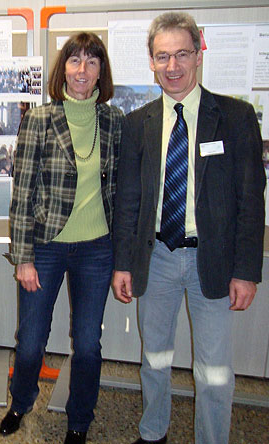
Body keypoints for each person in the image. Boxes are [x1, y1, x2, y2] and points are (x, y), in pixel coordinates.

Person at [111, 12, 265, 444]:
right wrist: (123, 263)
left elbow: (251, 200)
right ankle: (153, 431)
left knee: (214, 371)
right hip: (156, 257)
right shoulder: (137, 124)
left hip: (211, 260)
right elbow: (128, 202)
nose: (173, 66)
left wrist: (246, 271)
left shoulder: (235, 117)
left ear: (199, 53)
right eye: (163, 56)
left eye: (181, 54)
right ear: (152, 61)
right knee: (154, 358)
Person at [1, 32, 124, 444]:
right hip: (46, 247)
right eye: (75, 60)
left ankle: (79, 421)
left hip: (97, 249)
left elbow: (121, 189)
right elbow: (22, 193)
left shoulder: (114, 122)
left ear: (101, 71)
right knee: (31, 340)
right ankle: (21, 402)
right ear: (63, 69)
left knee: (88, 344)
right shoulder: (39, 119)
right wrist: (23, 257)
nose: (82, 70)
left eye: (92, 61)